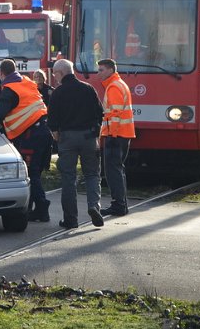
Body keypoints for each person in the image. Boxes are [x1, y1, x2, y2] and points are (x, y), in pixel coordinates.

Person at [0, 58, 53, 223]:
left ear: (1, 73)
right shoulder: (26, 82)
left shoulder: (10, 90)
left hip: (30, 135)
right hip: (43, 132)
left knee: (30, 173)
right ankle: (35, 208)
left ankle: (41, 208)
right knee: (35, 173)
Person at [47, 58, 105, 229]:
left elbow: (52, 120)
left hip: (67, 138)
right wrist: (96, 133)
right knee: (92, 174)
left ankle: (71, 220)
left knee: (68, 178)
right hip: (88, 137)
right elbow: (100, 113)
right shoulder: (88, 89)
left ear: (61, 73)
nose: (54, 77)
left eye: (55, 73)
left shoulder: (58, 92)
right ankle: (94, 205)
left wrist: (57, 134)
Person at [97, 58, 136, 217]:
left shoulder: (113, 87)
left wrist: (111, 135)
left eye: (101, 70)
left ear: (111, 70)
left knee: (113, 171)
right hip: (122, 134)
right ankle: (121, 205)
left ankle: (118, 206)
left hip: (116, 135)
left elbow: (115, 113)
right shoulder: (119, 84)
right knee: (118, 170)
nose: (98, 73)